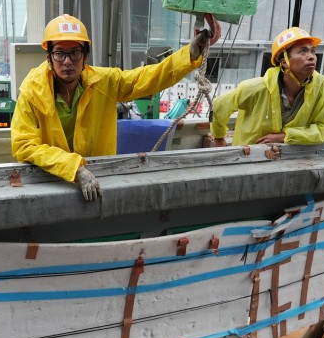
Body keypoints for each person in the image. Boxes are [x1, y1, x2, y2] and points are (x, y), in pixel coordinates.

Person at [11, 13, 210, 201]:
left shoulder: (104, 82)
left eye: (75, 53)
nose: (67, 61)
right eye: (59, 53)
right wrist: (74, 168)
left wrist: (188, 56)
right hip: (51, 183)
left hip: (100, 179)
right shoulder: (32, 91)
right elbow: (24, 144)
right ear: (48, 57)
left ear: (85, 56)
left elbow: (147, 78)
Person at [209, 27, 324, 147]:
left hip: (293, 157)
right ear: (284, 62)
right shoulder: (256, 88)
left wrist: (286, 136)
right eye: (303, 51)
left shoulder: (322, 87)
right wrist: (219, 137)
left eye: (313, 51)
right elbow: (219, 106)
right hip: (249, 156)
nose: (311, 56)